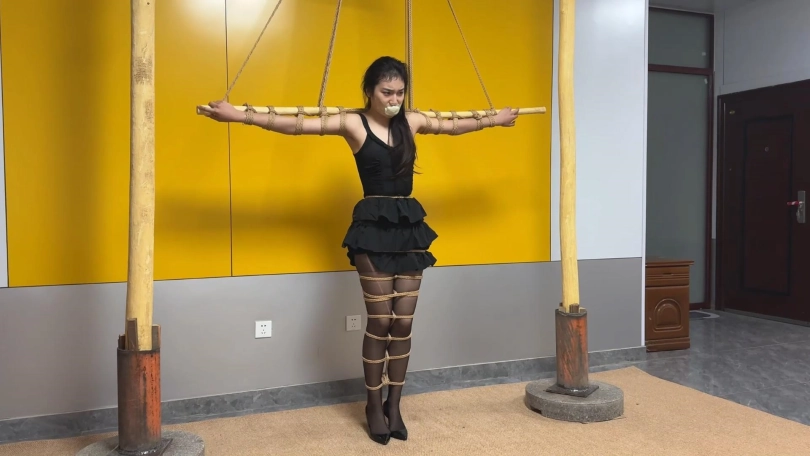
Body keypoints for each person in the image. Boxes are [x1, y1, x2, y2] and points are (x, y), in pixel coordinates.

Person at [202, 56, 518, 445]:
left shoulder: (412, 121)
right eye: (387, 92)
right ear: (369, 91)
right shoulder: (354, 123)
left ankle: (394, 404)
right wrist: (239, 116)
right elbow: (297, 125)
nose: (394, 99)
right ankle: (372, 404)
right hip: (371, 227)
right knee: (381, 320)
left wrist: (495, 119)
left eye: (400, 92)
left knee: (403, 323)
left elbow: (454, 126)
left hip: (408, 227)